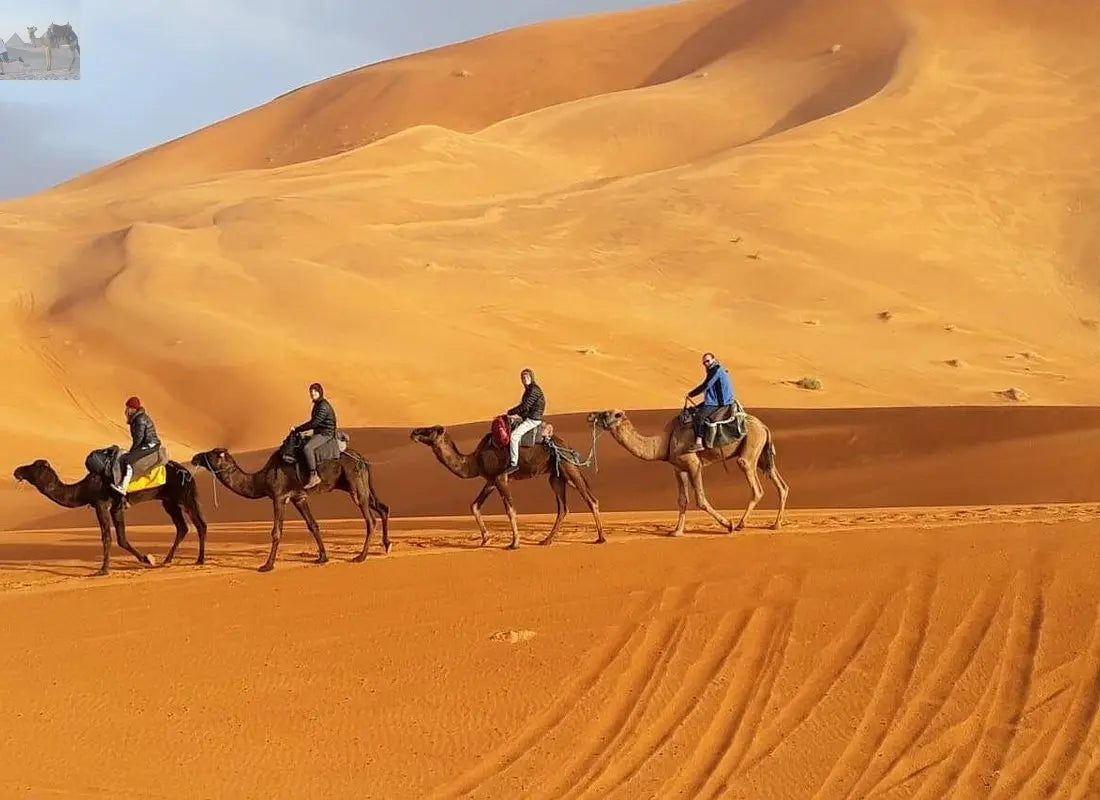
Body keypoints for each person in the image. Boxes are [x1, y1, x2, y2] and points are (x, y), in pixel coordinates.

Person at [685, 352, 736, 452]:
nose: (706, 364)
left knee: (699, 416)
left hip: (720, 402)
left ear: (713, 359)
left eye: (708, 361)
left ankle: (699, 443)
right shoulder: (715, 369)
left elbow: (706, 385)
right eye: (704, 363)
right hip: (714, 399)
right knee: (694, 410)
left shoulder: (716, 370)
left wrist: (691, 394)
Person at [111, 396, 162, 495]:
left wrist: (132, 452)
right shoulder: (136, 419)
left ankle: (123, 486)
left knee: (129, 460)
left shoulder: (140, 420)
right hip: (146, 443)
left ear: (133, 409)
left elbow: (139, 439)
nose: (126, 411)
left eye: (128, 408)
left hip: (150, 444)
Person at [291, 382, 337, 489]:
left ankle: (313, 475)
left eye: (315, 392)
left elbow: (314, 422)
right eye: (311, 392)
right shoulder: (318, 404)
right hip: (319, 430)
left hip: (326, 433)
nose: (313, 394)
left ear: (320, 392)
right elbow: (315, 423)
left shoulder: (323, 406)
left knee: (307, 448)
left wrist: (298, 428)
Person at [503, 368, 545, 476]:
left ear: (531, 378)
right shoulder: (529, 389)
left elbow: (525, 406)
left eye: (526, 377)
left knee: (514, 436)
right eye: (523, 377)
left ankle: (513, 463)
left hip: (533, 419)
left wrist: (510, 412)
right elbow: (525, 407)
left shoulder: (533, 390)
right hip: (529, 416)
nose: (524, 379)